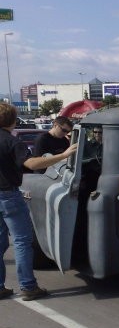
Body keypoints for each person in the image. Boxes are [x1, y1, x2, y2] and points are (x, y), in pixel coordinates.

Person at [0, 103, 77, 301]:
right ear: (13, 121)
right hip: (9, 195)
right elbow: (31, 163)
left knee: (0, 242)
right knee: (22, 241)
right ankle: (27, 286)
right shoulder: (11, 142)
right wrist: (63, 155)